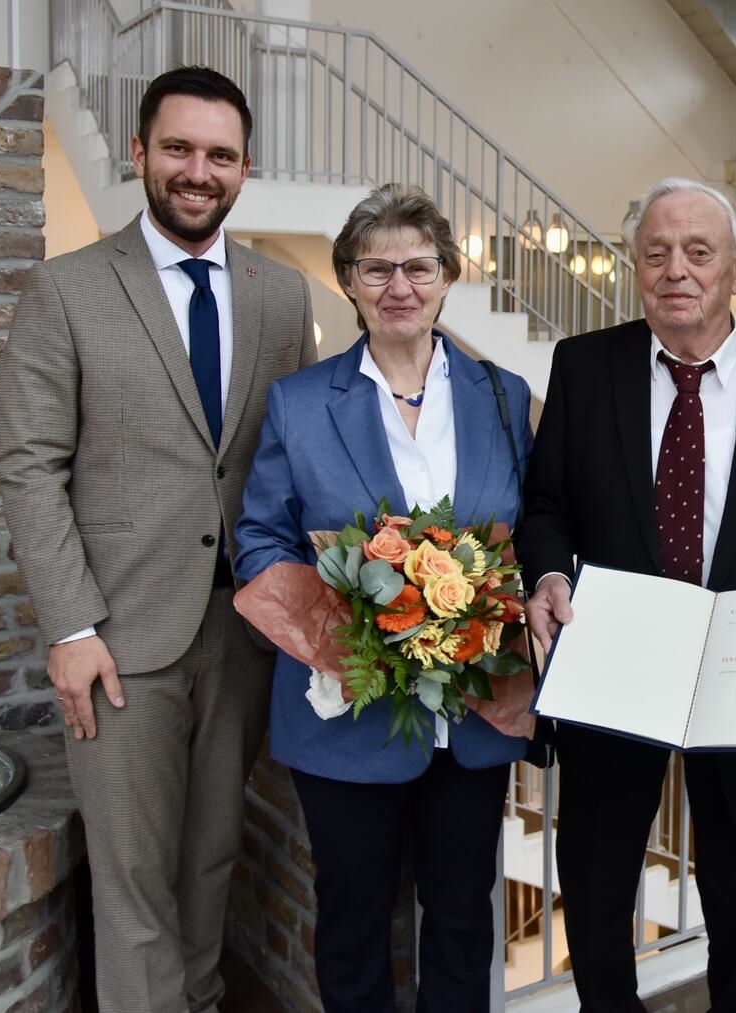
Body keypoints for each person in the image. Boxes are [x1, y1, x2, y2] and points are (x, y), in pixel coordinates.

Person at [0, 67, 316, 1012]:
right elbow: (27, 466)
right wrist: (69, 628)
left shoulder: (280, 297)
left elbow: (287, 464)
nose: (197, 170)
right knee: (131, 881)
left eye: (220, 155)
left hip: (242, 637)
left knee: (211, 856)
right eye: (178, 148)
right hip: (117, 639)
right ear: (139, 153)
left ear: (245, 169)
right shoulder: (67, 291)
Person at [521, 178, 736, 1012]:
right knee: (600, 892)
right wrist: (548, 574)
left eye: (699, 252)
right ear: (636, 269)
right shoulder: (583, 367)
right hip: (617, 673)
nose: (676, 269)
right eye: (657, 252)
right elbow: (547, 505)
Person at [232, 182, 532, 1012]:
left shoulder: (502, 397)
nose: (399, 286)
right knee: (356, 923)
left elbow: (530, 534)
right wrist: (357, 629)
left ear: (447, 277)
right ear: (348, 281)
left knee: (465, 917)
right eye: (376, 268)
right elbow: (258, 542)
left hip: (472, 714)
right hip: (347, 716)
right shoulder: (299, 402)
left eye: (420, 266)